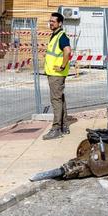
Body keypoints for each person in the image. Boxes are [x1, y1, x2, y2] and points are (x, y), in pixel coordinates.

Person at [42, 11, 73, 140]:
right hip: (54, 73)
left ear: (60, 23)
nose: (50, 23)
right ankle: (64, 125)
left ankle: (56, 129)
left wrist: (62, 66)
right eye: (50, 21)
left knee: (56, 100)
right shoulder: (55, 35)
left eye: (53, 22)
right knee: (60, 98)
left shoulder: (61, 36)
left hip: (56, 74)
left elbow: (67, 50)